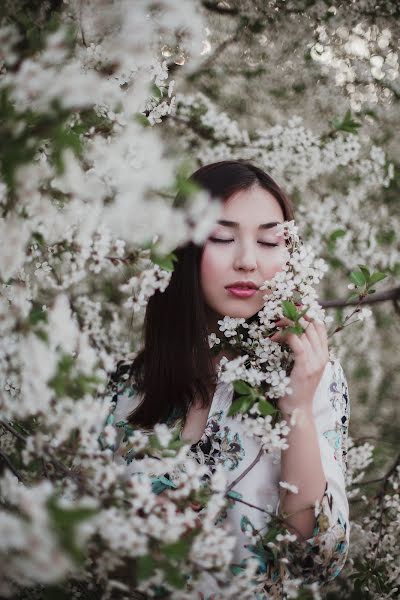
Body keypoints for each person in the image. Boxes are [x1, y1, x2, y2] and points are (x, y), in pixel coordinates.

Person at [104, 160, 350, 598]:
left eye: (270, 240)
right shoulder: (124, 384)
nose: (248, 261)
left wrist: (297, 410)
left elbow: (317, 562)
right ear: (185, 247)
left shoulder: (314, 375)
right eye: (222, 237)